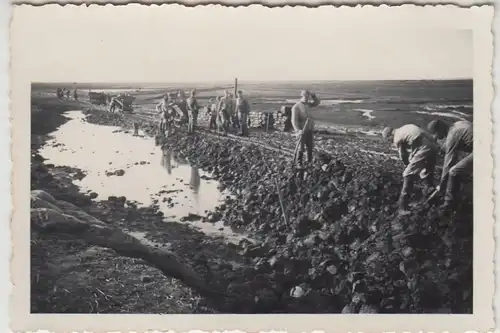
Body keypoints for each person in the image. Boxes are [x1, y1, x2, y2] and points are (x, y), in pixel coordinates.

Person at [382, 124, 439, 213]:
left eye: (389, 140)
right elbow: (422, 137)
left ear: (390, 135)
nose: (390, 142)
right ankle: (429, 189)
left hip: (424, 148)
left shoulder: (397, 138)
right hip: (432, 146)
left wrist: (408, 166)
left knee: (407, 174)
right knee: (425, 170)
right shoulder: (406, 127)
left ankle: (403, 207)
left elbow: (403, 155)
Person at [427, 119, 473, 210]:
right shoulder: (458, 123)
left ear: (440, 129)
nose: (435, 136)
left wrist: (441, 186)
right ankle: (458, 193)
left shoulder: (452, 136)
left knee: (453, 171)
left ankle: (448, 203)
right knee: (460, 168)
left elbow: (448, 164)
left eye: (435, 133)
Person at [291, 90, 321, 166]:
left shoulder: (308, 105)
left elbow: (317, 103)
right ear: (302, 96)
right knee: (301, 148)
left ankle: (309, 162)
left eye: (308, 97)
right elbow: (294, 121)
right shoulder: (296, 107)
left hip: (309, 128)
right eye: (305, 96)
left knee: (310, 147)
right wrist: (298, 131)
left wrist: (314, 97)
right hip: (302, 130)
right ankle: (299, 163)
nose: (307, 98)